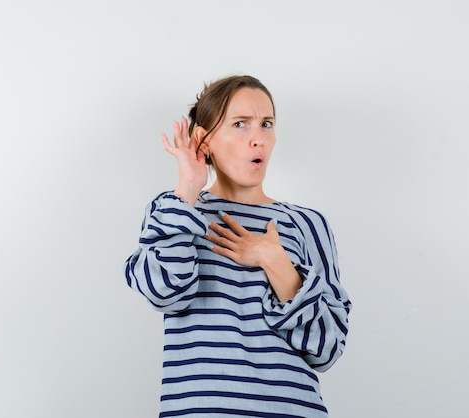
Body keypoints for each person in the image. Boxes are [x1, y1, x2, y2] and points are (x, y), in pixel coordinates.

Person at [123, 74, 352, 417]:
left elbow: (327, 348)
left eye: (266, 124)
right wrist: (188, 186)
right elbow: (163, 292)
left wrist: (275, 261)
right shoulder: (174, 211)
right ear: (203, 139)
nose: (258, 139)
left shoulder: (307, 224)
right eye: (241, 124)